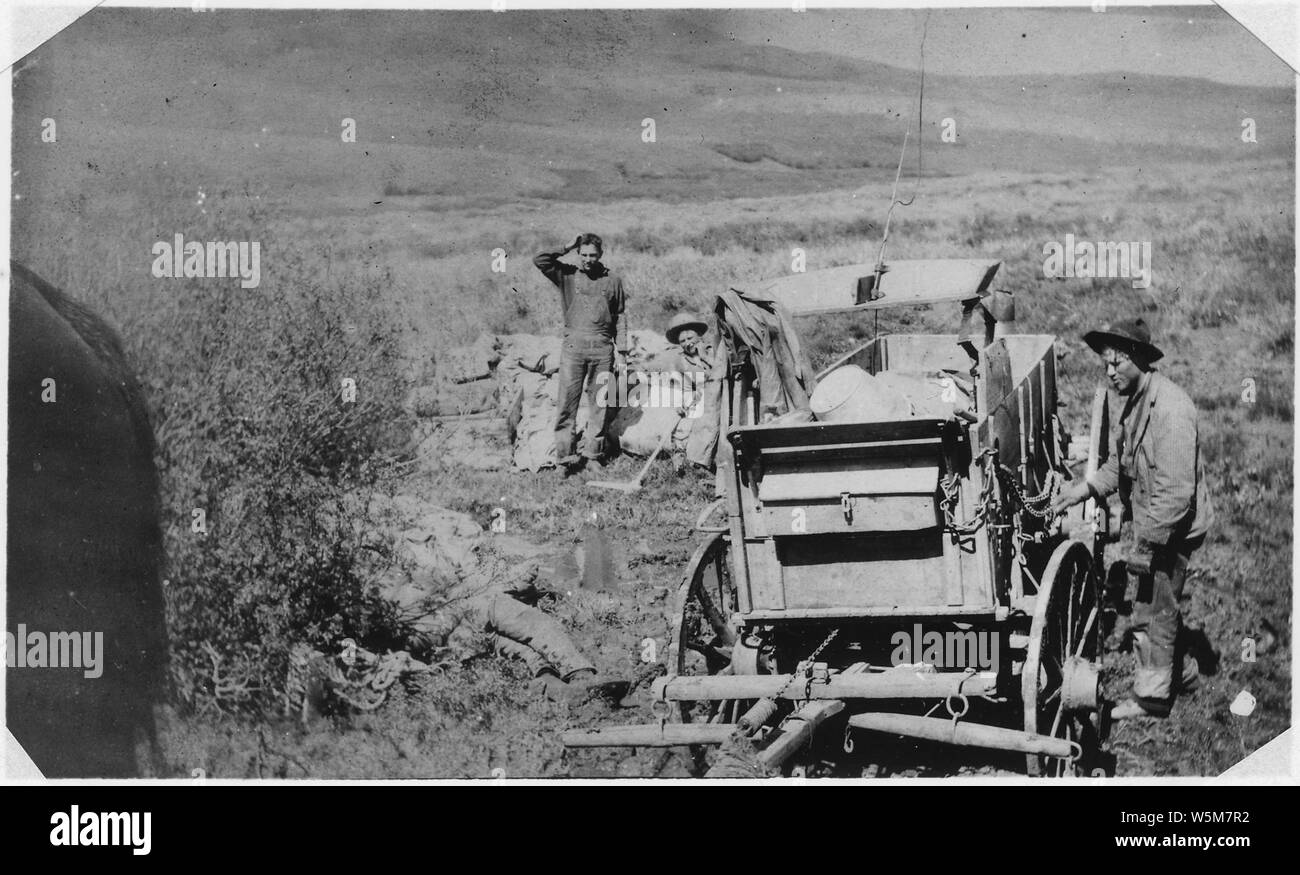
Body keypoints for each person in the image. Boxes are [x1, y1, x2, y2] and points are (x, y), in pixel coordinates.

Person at [1050, 318, 1215, 720]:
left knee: (1153, 609)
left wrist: (1144, 546)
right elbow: (1118, 467)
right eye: (1105, 364)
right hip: (1154, 522)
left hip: (1170, 529)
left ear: (1140, 360)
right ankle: (1185, 675)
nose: (1109, 373)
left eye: (1117, 364)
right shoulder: (1136, 402)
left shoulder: (1171, 411)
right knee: (1158, 603)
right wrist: (1082, 489)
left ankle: (1151, 700)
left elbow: (1176, 495)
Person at [533, 234, 628, 471]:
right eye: (583, 254)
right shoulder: (567, 275)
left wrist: (622, 352)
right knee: (567, 402)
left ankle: (593, 455)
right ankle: (564, 458)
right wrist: (566, 246)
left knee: (600, 404)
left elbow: (621, 316)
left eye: (592, 255)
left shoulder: (613, 280)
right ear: (578, 254)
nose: (588, 259)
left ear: (601, 255)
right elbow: (540, 260)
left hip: (602, 348)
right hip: (573, 348)